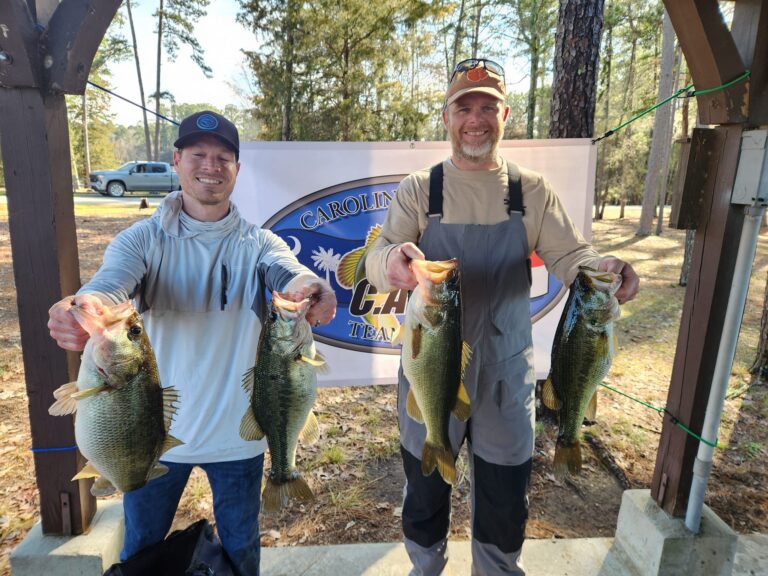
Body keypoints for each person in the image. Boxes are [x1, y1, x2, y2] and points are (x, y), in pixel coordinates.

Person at [365, 58, 639, 575]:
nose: (475, 119)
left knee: (504, 494)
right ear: (446, 118)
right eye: (463, 108)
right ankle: (425, 567)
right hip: (431, 367)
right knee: (424, 490)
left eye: (487, 108)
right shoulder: (421, 189)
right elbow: (379, 258)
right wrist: (394, 265)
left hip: (506, 374)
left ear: (505, 115)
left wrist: (606, 269)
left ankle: (496, 569)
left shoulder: (530, 190)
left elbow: (571, 258)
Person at [48, 110, 336, 576]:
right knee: (141, 550)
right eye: (198, 154)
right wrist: (83, 309)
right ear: (178, 160)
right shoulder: (142, 240)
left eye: (224, 157)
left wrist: (311, 289)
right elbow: (109, 286)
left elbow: (291, 273)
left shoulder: (259, 243)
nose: (211, 165)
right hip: (153, 438)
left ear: (238, 170)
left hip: (236, 439)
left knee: (242, 551)